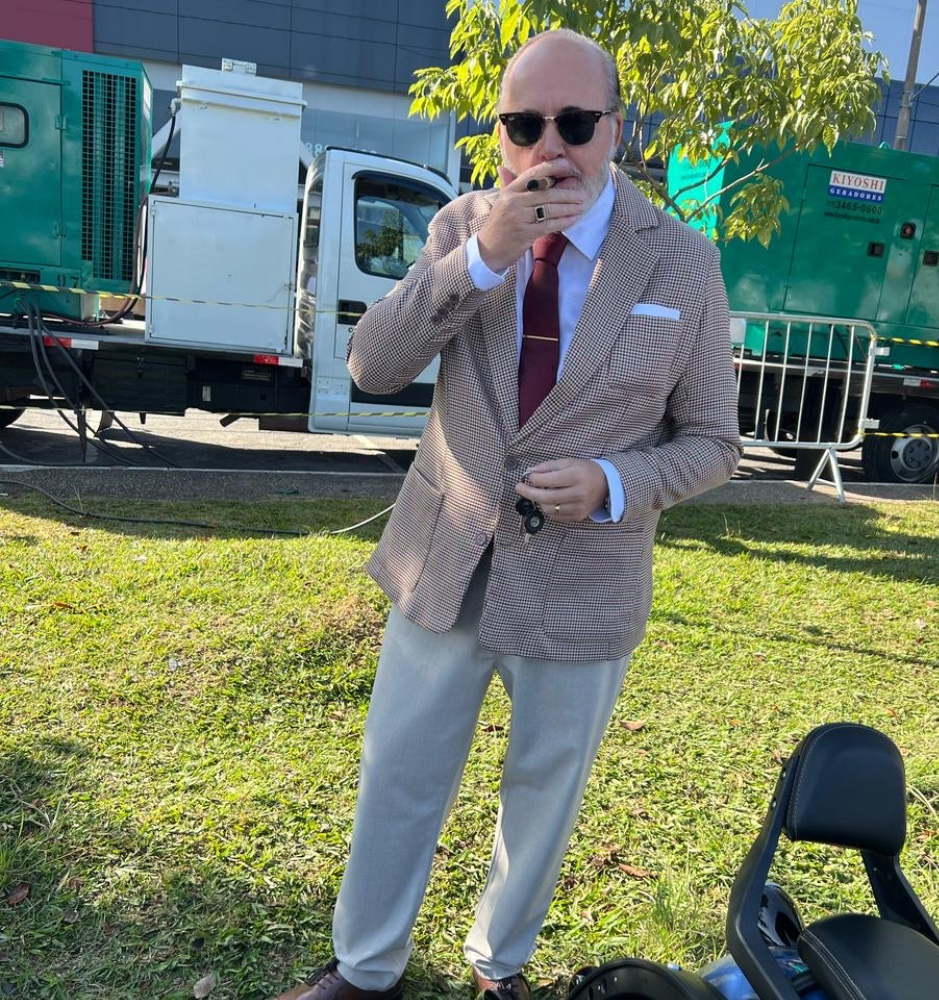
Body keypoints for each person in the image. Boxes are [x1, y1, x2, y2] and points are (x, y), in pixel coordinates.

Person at [274, 28, 741, 1000]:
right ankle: (365, 971)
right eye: (525, 125)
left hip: (585, 579)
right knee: (398, 772)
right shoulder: (461, 227)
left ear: (617, 129)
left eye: (575, 122)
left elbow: (712, 441)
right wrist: (487, 254)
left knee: (543, 794)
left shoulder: (682, 264)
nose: (550, 147)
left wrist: (613, 482)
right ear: (498, 134)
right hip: (443, 556)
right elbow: (372, 366)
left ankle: (500, 966)